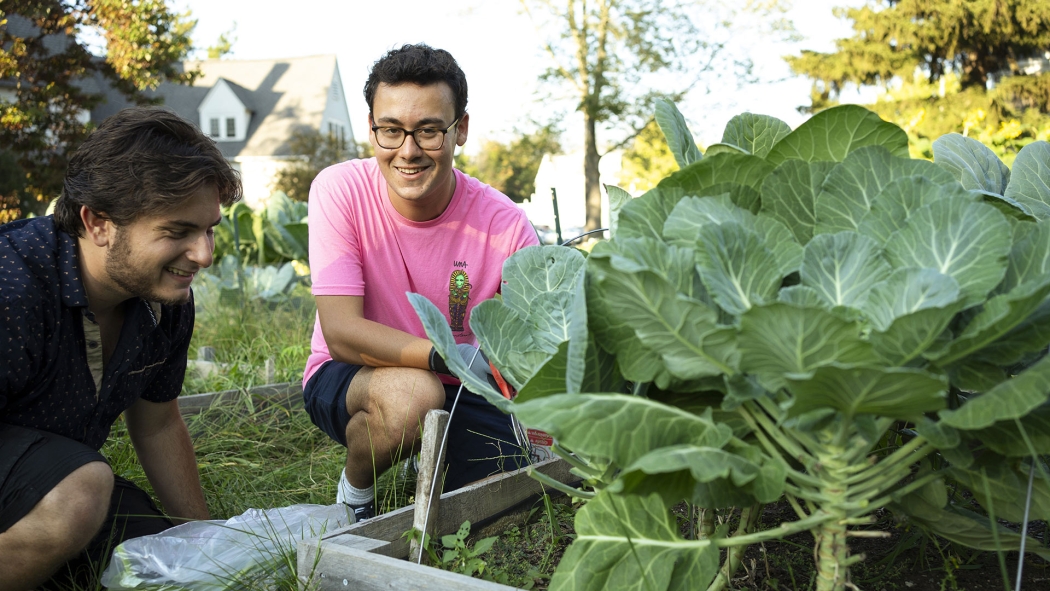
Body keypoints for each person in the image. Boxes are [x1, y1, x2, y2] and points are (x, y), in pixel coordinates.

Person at [0, 107, 242, 590]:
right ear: (98, 223)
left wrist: (205, 549)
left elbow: (157, 424)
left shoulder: (165, 300)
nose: (204, 255)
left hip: (47, 469)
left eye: (209, 228)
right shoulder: (13, 290)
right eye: (178, 232)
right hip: (59, 479)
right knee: (81, 493)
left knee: (154, 557)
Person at [303, 43, 540, 520]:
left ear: (461, 130)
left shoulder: (508, 225)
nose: (407, 151)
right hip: (353, 374)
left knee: (507, 491)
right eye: (390, 131)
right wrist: (443, 356)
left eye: (429, 131)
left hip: (466, 385)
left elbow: (528, 352)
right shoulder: (339, 190)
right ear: (371, 129)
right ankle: (355, 497)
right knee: (415, 397)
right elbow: (342, 333)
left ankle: (425, 459)